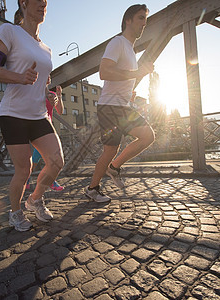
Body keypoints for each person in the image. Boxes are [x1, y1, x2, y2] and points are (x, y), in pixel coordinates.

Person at [0, 0, 64, 231]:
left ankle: (35, 199)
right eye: (37, 0)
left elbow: (41, 82)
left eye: (45, 2)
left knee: (57, 162)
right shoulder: (10, 31)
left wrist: (49, 95)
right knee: (24, 170)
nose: (43, 4)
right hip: (14, 113)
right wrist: (20, 78)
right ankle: (15, 213)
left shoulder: (46, 49)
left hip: (39, 114)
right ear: (23, 3)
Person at [84, 4, 155, 202]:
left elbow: (119, 77)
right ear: (128, 20)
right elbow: (104, 72)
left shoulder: (131, 51)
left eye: (146, 21)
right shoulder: (118, 42)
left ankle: (114, 168)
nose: (144, 24)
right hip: (109, 107)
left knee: (148, 136)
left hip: (123, 106)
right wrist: (135, 73)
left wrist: (128, 91)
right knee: (110, 150)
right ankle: (92, 189)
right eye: (141, 18)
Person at [26, 85, 64, 191]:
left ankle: (29, 178)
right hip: (36, 126)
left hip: (48, 128)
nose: (48, 77)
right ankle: (50, 181)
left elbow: (60, 111)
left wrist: (59, 96)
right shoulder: (34, 92)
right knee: (48, 158)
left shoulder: (52, 95)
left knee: (38, 158)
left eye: (49, 75)